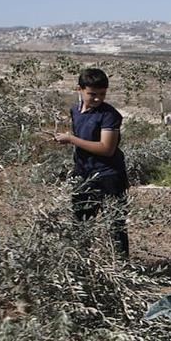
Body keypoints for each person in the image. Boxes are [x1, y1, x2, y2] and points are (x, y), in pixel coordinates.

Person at [54, 68, 130, 256]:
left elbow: (106, 148)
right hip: (83, 174)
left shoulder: (109, 115)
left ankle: (121, 268)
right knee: (81, 222)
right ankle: (82, 264)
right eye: (92, 94)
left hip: (109, 176)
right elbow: (84, 140)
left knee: (115, 225)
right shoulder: (75, 110)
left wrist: (71, 139)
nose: (97, 99)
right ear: (79, 89)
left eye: (102, 94)